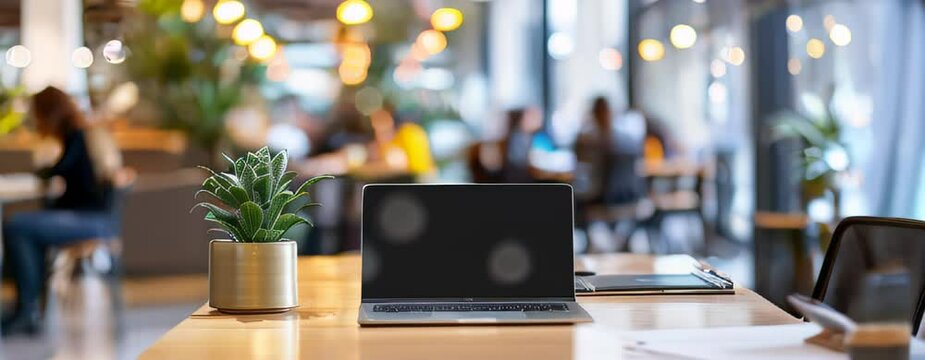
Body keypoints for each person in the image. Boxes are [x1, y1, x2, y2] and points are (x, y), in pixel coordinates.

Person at [2, 86, 121, 336]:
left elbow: (58, 171)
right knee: (23, 227)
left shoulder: (78, 136)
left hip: (90, 220)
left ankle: (27, 310)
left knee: (17, 227)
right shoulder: (78, 135)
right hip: (92, 218)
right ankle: (27, 308)